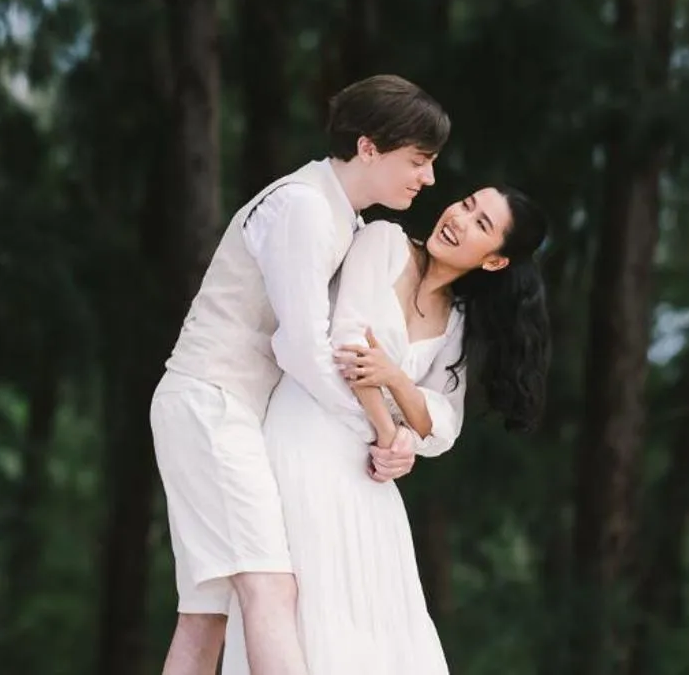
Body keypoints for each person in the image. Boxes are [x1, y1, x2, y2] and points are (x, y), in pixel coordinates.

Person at [150, 76, 451, 675]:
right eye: (419, 160)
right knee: (271, 587)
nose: (429, 179)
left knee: (207, 613)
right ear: (369, 148)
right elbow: (304, 348)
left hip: (220, 410)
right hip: (213, 404)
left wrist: (398, 431)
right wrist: (378, 430)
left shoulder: (345, 222)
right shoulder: (303, 208)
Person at [221, 184, 551, 675]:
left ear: (495, 261)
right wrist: (391, 431)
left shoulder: (457, 320)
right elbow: (348, 345)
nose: (459, 220)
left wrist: (396, 386)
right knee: (311, 604)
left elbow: (443, 425)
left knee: (382, 624)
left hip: (369, 476)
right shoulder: (384, 242)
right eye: (466, 205)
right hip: (307, 434)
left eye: (481, 224)